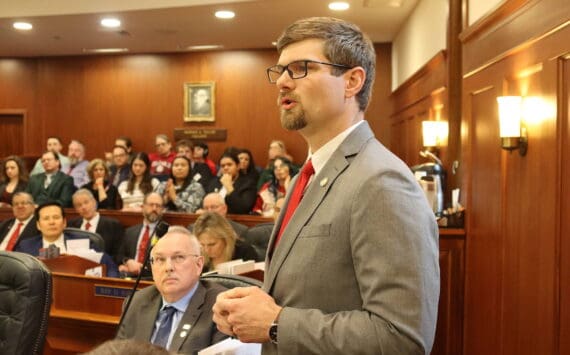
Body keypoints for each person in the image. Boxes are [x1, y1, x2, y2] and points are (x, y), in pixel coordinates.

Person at [212, 17, 440, 354]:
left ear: (352, 81)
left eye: (301, 68)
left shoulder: (381, 181)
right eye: (281, 71)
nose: (283, 83)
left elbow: (402, 338)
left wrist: (275, 323)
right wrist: (250, 307)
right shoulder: (308, 174)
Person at [116, 226, 228, 352]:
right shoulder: (135, 303)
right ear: (151, 267)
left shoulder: (220, 307)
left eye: (179, 257)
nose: (168, 267)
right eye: (160, 259)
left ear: (198, 264)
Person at [15, 201, 120, 277]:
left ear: (64, 222)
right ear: (38, 225)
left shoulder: (82, 241)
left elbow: (110, 266)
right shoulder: (26, 246)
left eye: (56, 217)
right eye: (46, 219)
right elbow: (16, 273)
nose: (52, 222)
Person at [68, 189, 124, 263]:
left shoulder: (113, 225)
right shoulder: (72, 225)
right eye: (79, 205)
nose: (83, 207)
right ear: (76, 209)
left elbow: (118, 254)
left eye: (86, 202)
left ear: (94, 202)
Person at [117, 192, 164, 276]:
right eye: (151, 205)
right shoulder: (130, 231)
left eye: (158, 206)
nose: (154, 208)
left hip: (151, 278)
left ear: (162, 209)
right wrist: (127, 262)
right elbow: (119, 256)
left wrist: (142, 268)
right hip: (128, 276)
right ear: (143, 207)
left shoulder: (166, 234)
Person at [193, 212, 258, 272]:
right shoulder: (197, 255)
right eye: (202, 245)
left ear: (226, 239)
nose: (207, 250)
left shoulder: (245, 252)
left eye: (212, 244)